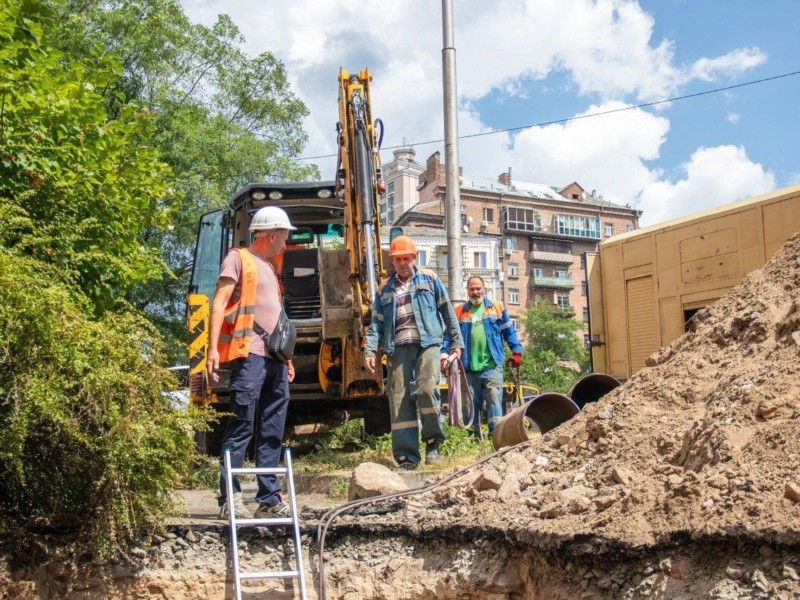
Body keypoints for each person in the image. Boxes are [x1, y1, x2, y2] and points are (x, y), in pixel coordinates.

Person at [207, 206, 297, 519]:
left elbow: (275, 317)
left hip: (274, 359)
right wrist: (211, 350)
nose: (286, 241)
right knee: (242, 424)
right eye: (285, 235)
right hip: (249, 356)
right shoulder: (238, 258)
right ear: (272, 234)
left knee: (272, 429)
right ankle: (230, 499)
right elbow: (218, 303)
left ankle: (268, 499)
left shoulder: (270, 268)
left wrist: (286, 359)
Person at [363, 236, 464, 470]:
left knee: (427, 389)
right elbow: (376, 324)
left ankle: (432, 442)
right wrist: (370, 350)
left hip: (428, 343)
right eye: (398, 259)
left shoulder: (430, 279)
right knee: (398, 399)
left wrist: (456, 343)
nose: (402, 263)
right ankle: (407, 456)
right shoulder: (384, 289)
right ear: (392, 260)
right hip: (398, 348)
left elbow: (447, 312)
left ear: (414, 257)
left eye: (406, 258)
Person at [443, 275, 523, 437]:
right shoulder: (459, 312)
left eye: (478, 288)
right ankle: (473, 439)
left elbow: (509, 332)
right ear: (467, 291)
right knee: (469, 406)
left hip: (492, 365)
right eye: (472, 289)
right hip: (468, 368)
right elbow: (448, 336)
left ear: (484, 289)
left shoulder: (497, 308)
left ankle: (496, 436)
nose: (475, 292)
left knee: (494, 399)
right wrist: (444, 355)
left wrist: (516, 351)